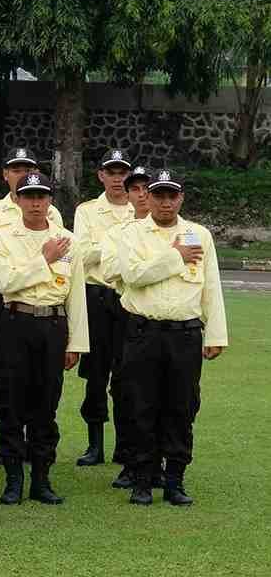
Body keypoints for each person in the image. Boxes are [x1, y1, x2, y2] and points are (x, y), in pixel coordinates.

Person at [111, 170, 226, 506]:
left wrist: (215, 334)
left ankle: (175, 480)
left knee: (182, 406)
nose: (165, 202)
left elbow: (211, 285)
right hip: (142, 332)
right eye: (158, 195)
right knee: (140, 405)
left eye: (171, 196)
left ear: (181, 198)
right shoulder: (132, 233)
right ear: (147, 198)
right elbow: (133, 274)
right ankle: (143, 480)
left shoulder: (199, 235)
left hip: (184, 334)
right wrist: (176, 256)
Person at [0, 172, 87, 505]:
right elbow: (6, 282)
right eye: (28, 196)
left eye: (41, 196)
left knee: (46, 405)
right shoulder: (3, 236)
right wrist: (44, 259)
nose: (35, 203)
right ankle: (13, 479)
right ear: (18, 199)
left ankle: (41, 478)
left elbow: (76, 295)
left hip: (53, 326)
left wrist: (76, 343)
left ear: (50, 200)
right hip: (15, 322)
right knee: (11, 403)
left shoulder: (67, 240)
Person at [0, 147, 63, 466]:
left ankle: (34, 446)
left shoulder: (53, 215)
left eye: (27, 169)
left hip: (45, 304)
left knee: (43, 382)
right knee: (5, 373)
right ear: (5, 174)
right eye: (15, 169)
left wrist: (31, 265)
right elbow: (4, 270)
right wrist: (41, 260)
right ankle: (7, 445)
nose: (21, 175)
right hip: (8, 303)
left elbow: (60, 255)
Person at [72, 149, 136, 467]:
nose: (117, 179)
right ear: (101, 175)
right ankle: (94, 444)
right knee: (95, 375)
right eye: (111, 172)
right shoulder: (87, 211)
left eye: (122, 173)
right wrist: (120, 247)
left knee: (127, 375)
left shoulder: (141, 209)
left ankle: (124, 446)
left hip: (128, 297)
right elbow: (81, 254)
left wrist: (105, 248)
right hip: (96, 297)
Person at [101, 165, 151, 489]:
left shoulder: (179, 232)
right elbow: (110, 270)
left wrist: (139, 267)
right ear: (128, 195)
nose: (142, 195)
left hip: (162, 317)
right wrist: (146, 268)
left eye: (147, 188)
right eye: (135, 189)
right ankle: (130, 459)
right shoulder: (118, 232)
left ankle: (157, 461)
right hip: (126, 313)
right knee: (125, 387)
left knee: (162, 392)